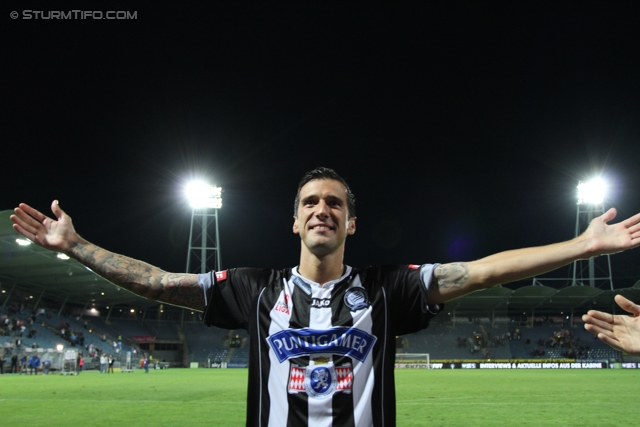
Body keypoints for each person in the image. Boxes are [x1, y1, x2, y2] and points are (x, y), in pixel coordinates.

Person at [10, 167, 640, 427]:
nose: (322, 209)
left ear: (350, 223)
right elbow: (156, 281)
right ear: (295, 221)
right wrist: (77, 245)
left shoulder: (389, 288)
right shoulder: (253, 289)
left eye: (334, 202)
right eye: (310, 202)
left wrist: (580, 247)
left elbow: (479, 271)